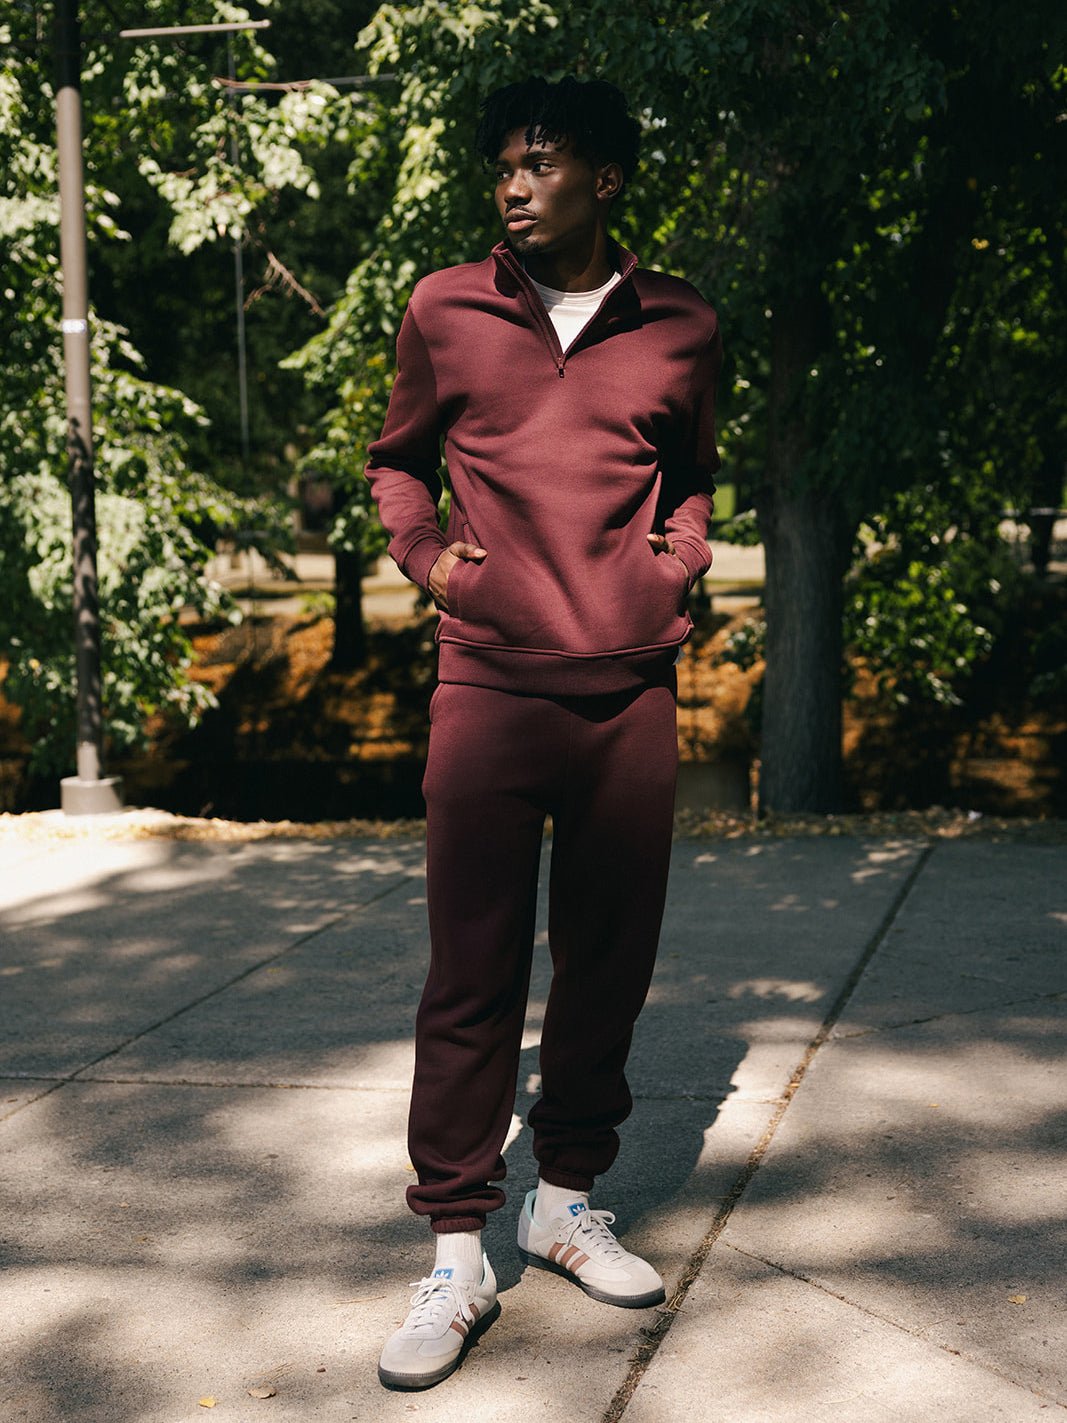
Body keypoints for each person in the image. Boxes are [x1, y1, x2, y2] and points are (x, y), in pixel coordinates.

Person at [366, 74, 723, 1391]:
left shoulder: (682, 323)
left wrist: (672, 567)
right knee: (469, 975)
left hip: (630, 690)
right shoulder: (446, 309)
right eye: (504, 167)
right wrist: (434, 568)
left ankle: (563, 1198)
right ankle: (457, 1248)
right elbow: (397, 460)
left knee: (607, 961)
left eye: (541, 164)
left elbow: (689, 479)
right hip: (488, 686)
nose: (515, 186)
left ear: (607, 179)